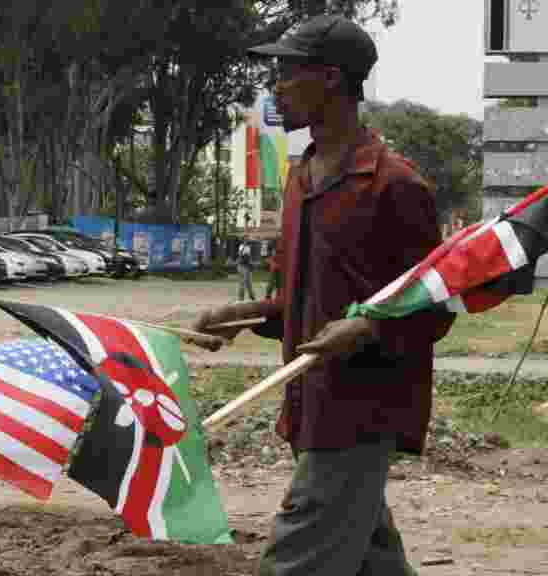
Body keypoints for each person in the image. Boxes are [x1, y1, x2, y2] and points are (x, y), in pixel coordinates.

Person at [190, 14, 456, 576]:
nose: (276, 89)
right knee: (370, 557)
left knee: (298, 557)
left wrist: (367, 328)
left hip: (361, 414)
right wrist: (245, 315)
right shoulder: (302, 175)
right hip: (309, 404)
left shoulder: (396, 185)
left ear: (331, 79)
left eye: (287, 74)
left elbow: (434, 309)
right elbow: (299, 301)